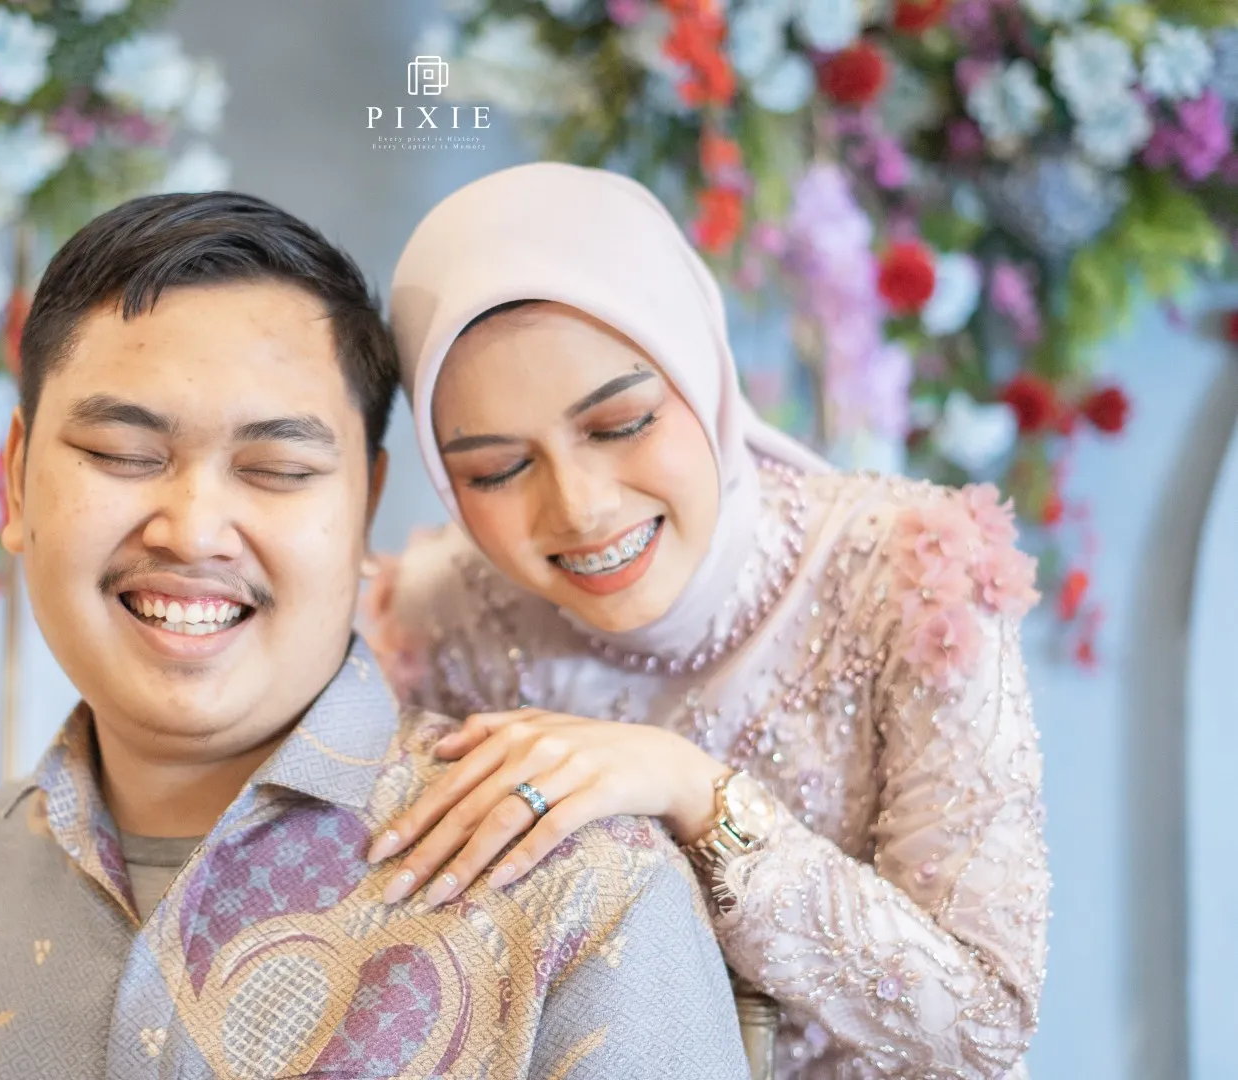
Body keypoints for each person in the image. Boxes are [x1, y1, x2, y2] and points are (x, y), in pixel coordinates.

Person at [0, 190, 750, 1080]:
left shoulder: (578, 887)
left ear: (366, 508)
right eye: (123, 455)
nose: (192, 531)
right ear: (18, 479)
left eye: (276, 468)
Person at [363, 162, 1051, 1078]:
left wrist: (695, 793)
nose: (579, 507)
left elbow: (983, 1025)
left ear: (702, 371)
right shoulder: (440, 612)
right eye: (497, 471)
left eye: (620, 423)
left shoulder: (910, 572)